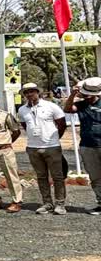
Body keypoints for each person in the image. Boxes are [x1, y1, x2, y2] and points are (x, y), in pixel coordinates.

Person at [18, 82, 68, 215]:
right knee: (41, 176)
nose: (29, 94)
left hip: (51, 147)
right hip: (33, 147)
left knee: (58, 177)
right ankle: (47, 203)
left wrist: (55, 138)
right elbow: (24, 125)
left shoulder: (51, 106)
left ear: (38, 92)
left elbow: (62, 124)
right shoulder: (22, 110)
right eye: (26, 92)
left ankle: (60, 204)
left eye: (32, 91)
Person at [64, 78, 101, 214]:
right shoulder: (82, 104)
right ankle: (100, 202)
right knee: (95, 176)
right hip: (88, 145)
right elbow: (67, 109)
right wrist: (73, 95)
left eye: (89, 94)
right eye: (85, 94)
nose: (87, 97)